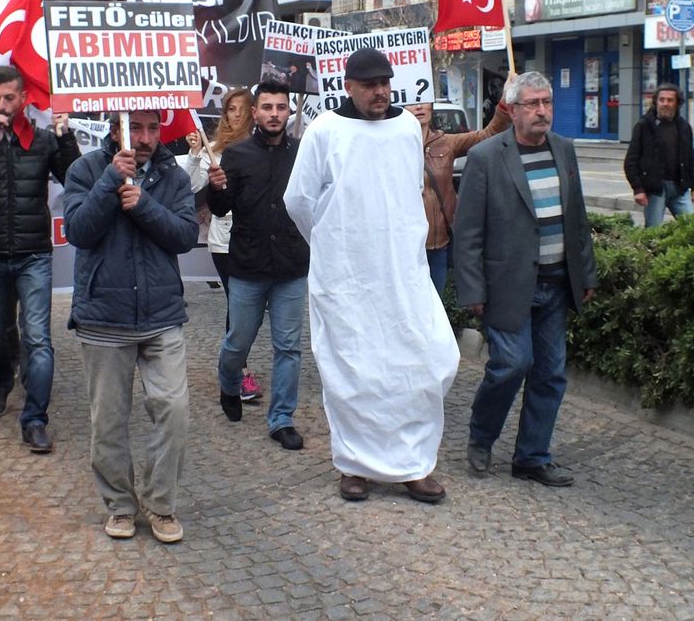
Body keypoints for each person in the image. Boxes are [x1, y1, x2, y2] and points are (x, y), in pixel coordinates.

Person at [284, 48, 458, 503]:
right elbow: (298, 200)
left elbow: (409, 191)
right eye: (369, 84)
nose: (380, 91)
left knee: (424, 360)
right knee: (353, 370)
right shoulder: (324, 130)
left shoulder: (405, 128)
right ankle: (354, 465)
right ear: (348, 86)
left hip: (402, 270)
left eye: (385, 82)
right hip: (345, 275)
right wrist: (332, 243)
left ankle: (414, 463)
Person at [453, 71, 598, 488]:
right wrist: (473, 289)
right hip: (508, 286)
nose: (542, 111)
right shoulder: (486, 157)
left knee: (551, 374)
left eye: (547, 102)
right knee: (511, 365)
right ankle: (481, 437)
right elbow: (469, 232)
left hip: (555, 283)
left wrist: (585, 274)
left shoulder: (564, 150)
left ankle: (532, 456)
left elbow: (578, 219)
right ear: (513, 110)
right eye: (532, 104)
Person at [63, 110, 198, 544]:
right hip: (105, 316)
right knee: (108, 422)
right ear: (113, 125)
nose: (143, 138)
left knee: (173, 411)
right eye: (134, 127)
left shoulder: (171, 175)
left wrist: (144, 204)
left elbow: (183, 235)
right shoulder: (85, 169)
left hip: (161, 315)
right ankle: (120, 505)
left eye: (152, 128)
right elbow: (78, 231)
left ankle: (160, 504)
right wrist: (109, 183)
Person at [0, 64, 80, 453]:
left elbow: (74, 177)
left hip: (33, 255)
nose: (3, 105)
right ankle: (2, 379)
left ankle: (35, 419)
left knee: (38, 338)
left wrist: (66, 136)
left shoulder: (41, 140)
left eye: (9, 97)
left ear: (24, 99)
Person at [207, 81, 310, 451]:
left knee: (289, 346)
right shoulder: (237, 156)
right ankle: (229, 383)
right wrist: (216, 187)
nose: (274, 114)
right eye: (267, 107)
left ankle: (281, 419)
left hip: (291, 267)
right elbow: (220, 208)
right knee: (238, 341)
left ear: (289, 111)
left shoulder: (302, 153)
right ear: (256, 112)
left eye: (281, 107)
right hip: (248, 265)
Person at [182, 87, 262, 402]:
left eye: (243, 108)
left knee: (253, 307)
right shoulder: (213, 149)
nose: (237, 114)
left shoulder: (265, 147)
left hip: (258, 237)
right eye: (231, 108)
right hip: (226, 240)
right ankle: (237, 371)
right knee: (238, 302)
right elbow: (190, 186)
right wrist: (193, 154)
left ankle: (232, 362)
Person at [404, 95, 510, 295]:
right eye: (411, 101)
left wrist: (505, 102)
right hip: (405, 249)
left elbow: (488, 135)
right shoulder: (391, 146)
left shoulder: (446, 142)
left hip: (438, 247)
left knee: (435, 311)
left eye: (423, 100)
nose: (419, 106)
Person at [623, 84, 694, 227]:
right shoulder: (644, 126)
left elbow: (690, 158)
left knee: (693, 227)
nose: (665, 104)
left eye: (670, 100)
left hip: (679, 188)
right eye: (662, 100)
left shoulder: (684, 127)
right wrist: (638, 189)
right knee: (653, 232)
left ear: (677, 103)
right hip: (655, 189)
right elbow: (631, 161)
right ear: (656, 102)